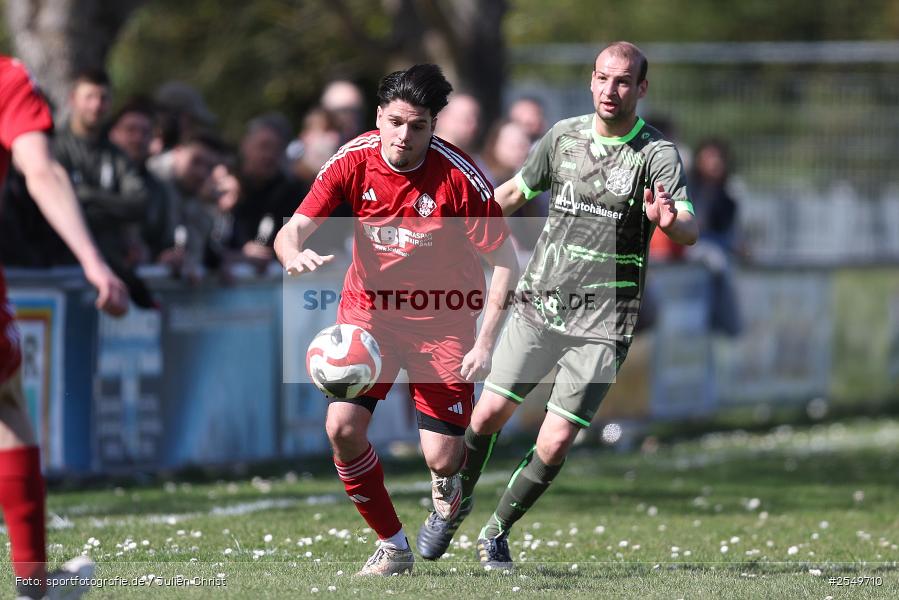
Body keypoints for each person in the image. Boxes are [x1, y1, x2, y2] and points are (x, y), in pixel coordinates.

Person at [414, 41, 699, 570]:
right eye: (602, 78)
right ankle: (451, 508)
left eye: (622, 82)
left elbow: (688, 227)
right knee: (489, 414)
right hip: (540, 304)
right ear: (591, 81)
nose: (610, 90)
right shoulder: (562, 137)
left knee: (557, 438)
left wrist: (669, 222)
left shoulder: (656, 155)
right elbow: (515, 193)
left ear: (641, 88)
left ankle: (496, 531)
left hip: (604, 321)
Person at [274, 64, 519, 576]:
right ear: (378, 117)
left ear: (434, 126)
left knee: (443, 459)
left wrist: (486, 343)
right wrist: (291, 255)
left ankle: (448, 490)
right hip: (371, 316)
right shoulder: (353, 160)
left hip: (443, 321)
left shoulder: (461, 179)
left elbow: (504, 265)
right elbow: (291, 229)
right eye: (396, 122)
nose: (405, 136)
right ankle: (392, 546)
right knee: (342, 427)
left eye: (419, 126)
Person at [0, 55, 129, 599]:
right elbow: (42, 170)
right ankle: (33, 583)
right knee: (7, 402)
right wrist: (93, 261)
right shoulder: (7, 77)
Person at [51, 69, 149, 267]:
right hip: (58, 262)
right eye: (89, 97)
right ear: (73, 100)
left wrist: (87, 196)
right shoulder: (55, 147)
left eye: (103, 98)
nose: (96, 105)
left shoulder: (117, 156)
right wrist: (112, 206)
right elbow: (56, 200)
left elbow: (138, 204)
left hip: (108, 263)